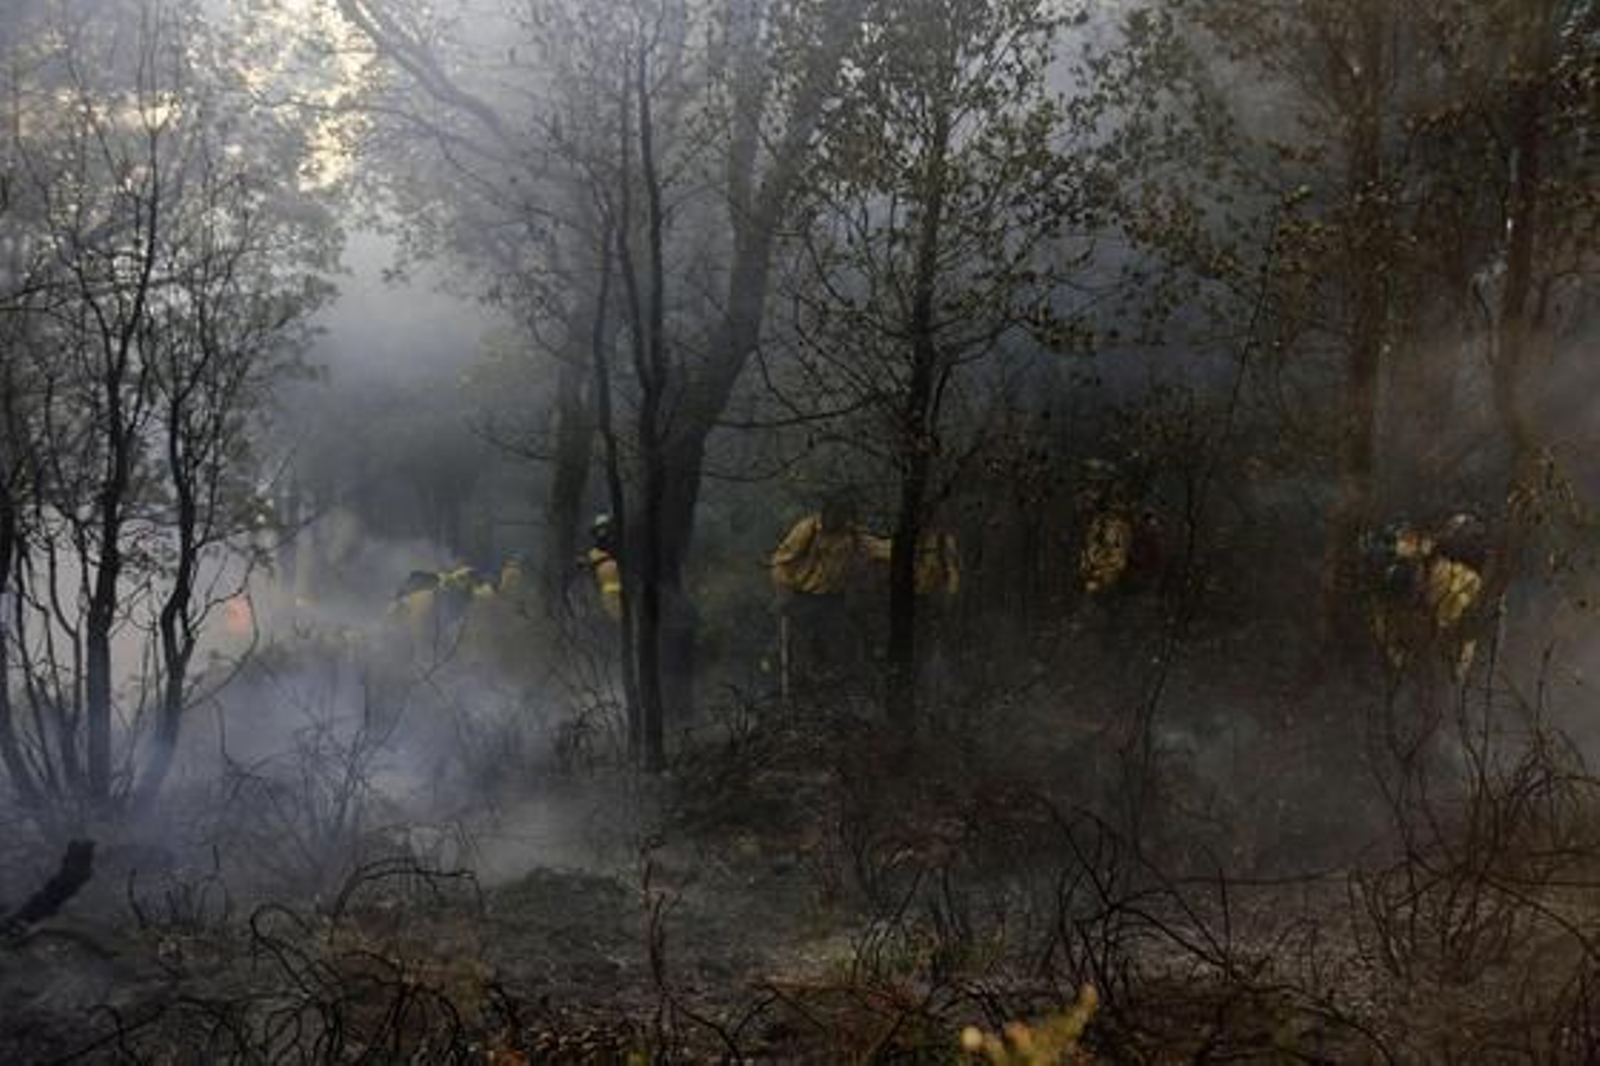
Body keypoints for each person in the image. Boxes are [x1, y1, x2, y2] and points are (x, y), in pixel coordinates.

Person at [770, 492, 879, 692]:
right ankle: (797, 697)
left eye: (843, 514)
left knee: (838, 653)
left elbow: (878, 548)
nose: (837, 519)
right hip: (804, 599)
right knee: (800, 653)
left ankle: (830, 700)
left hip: (834, 601)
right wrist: (782, 591)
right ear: (826, 512)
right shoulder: (807, 529)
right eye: (834, 513)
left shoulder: (853, 536)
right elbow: (781, 562)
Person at [584, 514, 623, 621]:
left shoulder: (620, 547)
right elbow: (590, 577)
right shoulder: (593, 553)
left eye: (605, 528)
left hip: (624, 594)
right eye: (600, 529)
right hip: (604, 596)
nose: (603, 532)